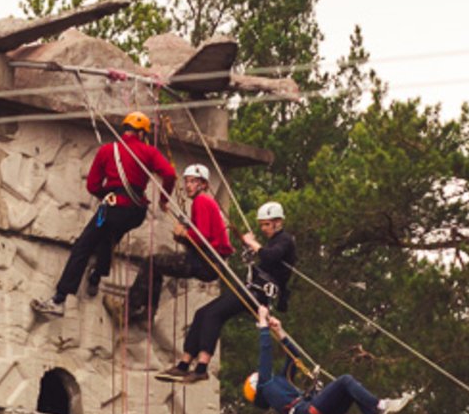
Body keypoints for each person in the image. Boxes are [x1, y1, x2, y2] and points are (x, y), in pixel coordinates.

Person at [32, 111, 176, 318]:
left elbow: (92, 186)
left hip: (114, 207)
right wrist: (164, 200)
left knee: (83, 246)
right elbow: (170, 174)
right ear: (143, 133)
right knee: (109, 237)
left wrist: (107, 194)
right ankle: (97, 275)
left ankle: (60, 299)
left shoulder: (108, 150)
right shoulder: (149, 152)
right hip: (136, 211)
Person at [155, 199, 296, 383]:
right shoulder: (274, 241)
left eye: (267, 225)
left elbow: (270, 256)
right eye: (261, 225)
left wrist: (252, 243)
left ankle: (202, 367)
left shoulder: (286, 240)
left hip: (258, 293)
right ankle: (184, 364)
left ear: (278, 222)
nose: (264, 229)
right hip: (251, 289)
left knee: (214, 314)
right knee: (202, 313)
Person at [108, 164, 230, 326]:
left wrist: (185, 233)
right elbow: (203, 237)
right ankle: (148, 313)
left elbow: (203, 236)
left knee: (151, 262)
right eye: (187, 182)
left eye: (193, 182)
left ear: (204, 185)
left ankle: (128, 310)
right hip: (207, 261)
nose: (188, 186)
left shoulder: (201, 201)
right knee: (156, 266)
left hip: (203, 261)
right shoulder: (207, 203)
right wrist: (184, 236)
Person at [243, 317, 411, 414]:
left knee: (349, 390)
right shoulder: (265, 387)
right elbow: (265, 352)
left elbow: (294, 356)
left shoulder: (279, 382)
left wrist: (279, 331)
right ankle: (381, 405)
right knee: (345, 381)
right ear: (256, 384)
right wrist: (263, 325)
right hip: (307, 413)